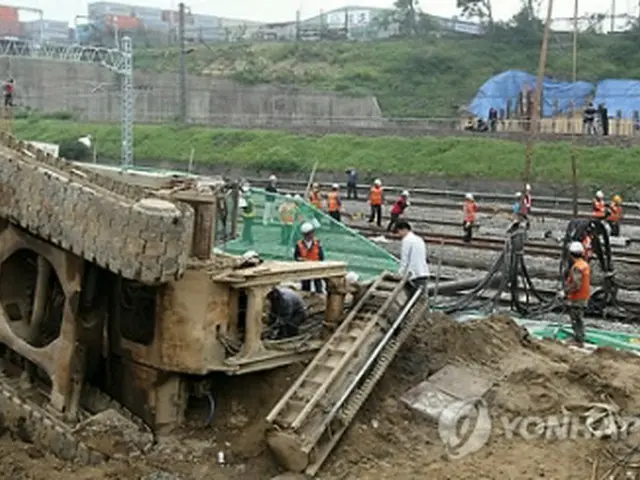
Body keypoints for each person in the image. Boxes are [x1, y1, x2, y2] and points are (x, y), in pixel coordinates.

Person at [560, 241, 591, 345]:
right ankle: (580, 337)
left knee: (576, 319)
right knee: (579, 318)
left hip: (577, 298)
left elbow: (576, 284)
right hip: (584, 296)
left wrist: (565, 292)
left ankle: (579, 340)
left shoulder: (577, 267)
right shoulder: (584, 265)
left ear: (571, 254)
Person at [394, 220, 429, 292]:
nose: (399, 235)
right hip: (423, 272)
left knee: (412, 298)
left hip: (413, 274)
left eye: (399, 232)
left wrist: (399, 273)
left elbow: (405, 259)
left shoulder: (407, 240)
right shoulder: (419, 239)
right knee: (421, 297)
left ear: (404, 230)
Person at [294, 222, 324, 293]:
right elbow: (296, 257)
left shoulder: (317, 243)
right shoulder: (299, 244)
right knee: (305, 288)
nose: (311, 235)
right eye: (309, 233)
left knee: (318, 287)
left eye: (312, 232)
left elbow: (321, 256)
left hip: (316, 267)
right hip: (305, 269)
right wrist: (300, 260)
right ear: (305, 235)